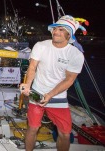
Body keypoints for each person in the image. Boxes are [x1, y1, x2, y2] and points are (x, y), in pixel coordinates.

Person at [20, 15, 85, 151]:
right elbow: (32, 67)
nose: (56, 32)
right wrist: (27, 84)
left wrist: (50, 95)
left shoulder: (75, 55)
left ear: (69, 35)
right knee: (33, 128)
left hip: (58, 97)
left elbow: (69, 80)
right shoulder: (41, 46)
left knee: (65, 133)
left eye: (61, 30)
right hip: (37, 93)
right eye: (55, 29)